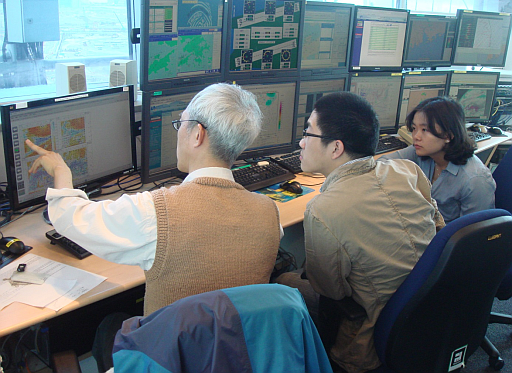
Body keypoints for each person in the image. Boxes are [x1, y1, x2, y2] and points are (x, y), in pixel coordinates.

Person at [26, 82, 282, 316]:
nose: (178, 132)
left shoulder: (156, 212)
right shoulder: (270, 214)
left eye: (181, 124)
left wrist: (61, 171)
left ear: (197, 134)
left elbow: (74, 219)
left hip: (169, 358)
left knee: (109, 326)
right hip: (238, 354)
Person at [282, 91, 444, 373]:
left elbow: (330, 290)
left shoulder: (323, 210)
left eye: (308, 132)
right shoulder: (408, 171)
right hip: (435, 314)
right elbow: (440, 232)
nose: (301, 142)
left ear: (335, 148)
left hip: (369, 338)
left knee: (283, 280)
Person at [381, 96, 495, 223]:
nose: (416, 136)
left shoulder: (475, 180)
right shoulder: (421, 152)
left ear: (448, 135)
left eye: (425, 130)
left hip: (446, 239)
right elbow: (381, 163)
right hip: (423, 227)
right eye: (414, 129)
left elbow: (472, 234)